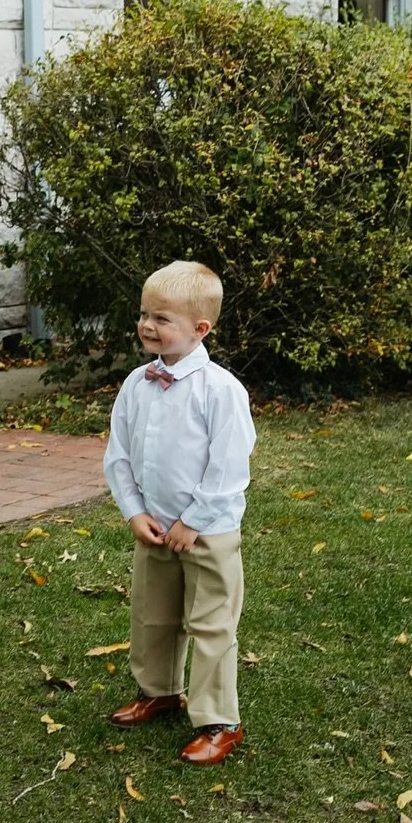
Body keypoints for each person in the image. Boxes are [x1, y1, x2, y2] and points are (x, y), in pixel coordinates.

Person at [102, 261, 256, 766]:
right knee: (154, 614)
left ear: (200, 329)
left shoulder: (221, 391)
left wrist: (195, 520)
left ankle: (219, 721)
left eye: (162, 318)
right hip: (154, 527)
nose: (148, 325)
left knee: (210, 623)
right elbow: (119, 454)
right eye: (145, 314)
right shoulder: (136, 385)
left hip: (207, 532)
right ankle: (160, 690)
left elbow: (228, 465)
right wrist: (133, 510)